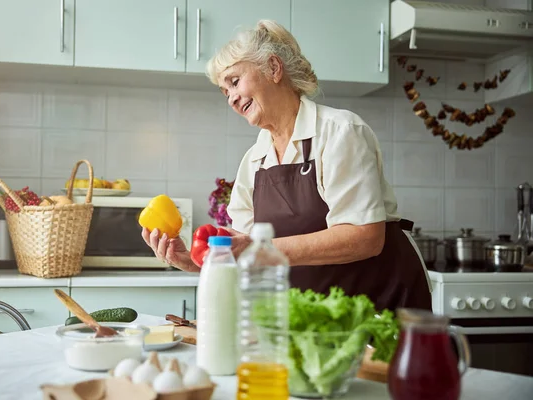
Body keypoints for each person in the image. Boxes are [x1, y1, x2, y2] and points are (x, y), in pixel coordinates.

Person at [142, 20, 432, 312]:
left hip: (378, 306)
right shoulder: (255, 160)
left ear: (273, 68)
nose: (230, 98)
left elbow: (365, 237)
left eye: (234, 81)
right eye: (224, 91)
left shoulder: (339, 131)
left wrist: (256, 248)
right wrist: (192, 261)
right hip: (315, 317)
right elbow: (244, 257)